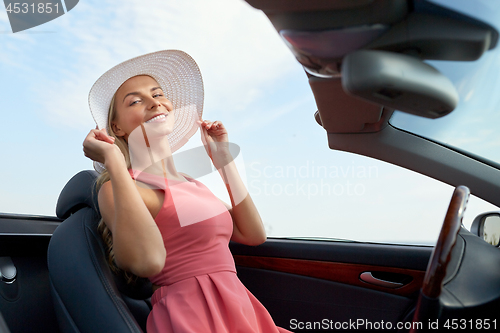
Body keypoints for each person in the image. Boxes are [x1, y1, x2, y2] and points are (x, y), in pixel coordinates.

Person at [83, 50, 292, 333]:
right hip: (193, 317)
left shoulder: (192, 183)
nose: (153, 103)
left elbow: (254, 234)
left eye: (157, 94)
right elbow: (147, 262)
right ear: (116, 127)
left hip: (239, 307)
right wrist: (114, 162)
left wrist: (223, 161)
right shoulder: (119, 186)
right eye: (135, 100)